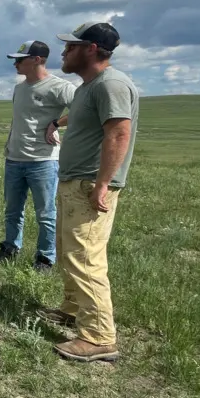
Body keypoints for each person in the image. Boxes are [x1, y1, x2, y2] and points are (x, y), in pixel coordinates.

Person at [40, 22, 138, 364]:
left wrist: (102, 184)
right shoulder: (88, 87)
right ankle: (72, 308)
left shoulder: (111, 83)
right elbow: (85, 117)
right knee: (70, 250)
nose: (64, 53)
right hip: (75, 182)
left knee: (85, 257)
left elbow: (119, 134)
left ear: (92, 48)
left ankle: (98, 337)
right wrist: (59, 123)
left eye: (71, 46)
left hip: (89, 186)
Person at [0, 40, 76, 271]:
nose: (15, 64)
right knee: (12, 210)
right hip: (14, 158)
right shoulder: (19, 88)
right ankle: (9, 249)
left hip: (43, 160)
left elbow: (84, 108)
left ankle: (45, 258)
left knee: (45, 213)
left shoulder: (59, 86)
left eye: (20, 59)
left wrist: (56, 123)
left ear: (37, 59)